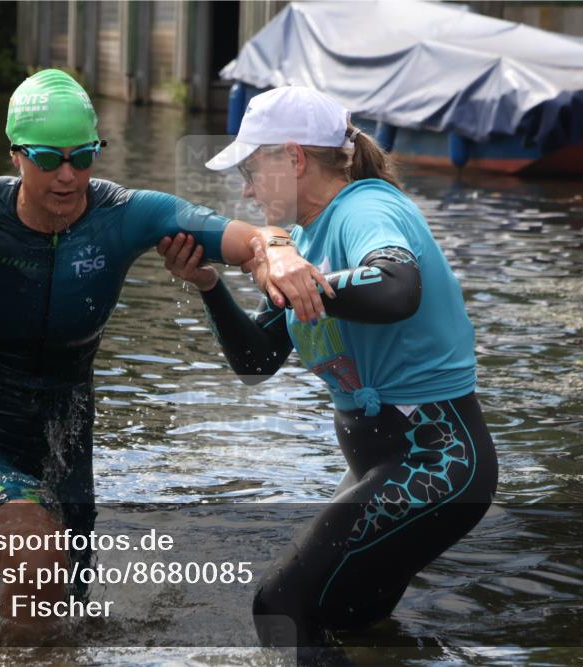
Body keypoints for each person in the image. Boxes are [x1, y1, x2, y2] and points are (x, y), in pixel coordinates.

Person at [0, 69, 330, 622]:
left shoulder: (124, 216)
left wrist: (279, 252)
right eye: (49, 159)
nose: (67, 176)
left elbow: (245, 238)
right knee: (38, 559)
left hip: (65, 446)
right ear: (16, 156)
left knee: (68, 619)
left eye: (83, 156)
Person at [157, 85, 499, 648]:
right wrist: (209, 285)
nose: (244, 188)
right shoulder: (303, 239)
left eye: (250, 168)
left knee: (280, 607)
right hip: (387, 465)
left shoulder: (366, 206)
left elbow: (397, 287)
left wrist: (304, 282)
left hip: (439, 459)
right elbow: (255, 360)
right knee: (344, 624)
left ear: (293, 157)